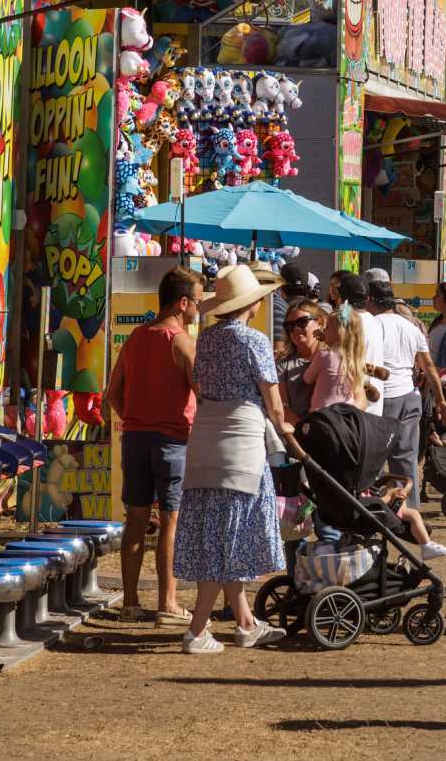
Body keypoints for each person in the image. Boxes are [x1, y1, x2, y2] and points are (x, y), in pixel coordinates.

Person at [174, 265, 301, 653]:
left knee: (218, 533)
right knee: (228, 536)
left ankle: (246, 623)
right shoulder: (254, 341)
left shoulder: (206, 339)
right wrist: (290, 435)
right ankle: (197, 630)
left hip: (204, 441)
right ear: (255, 303)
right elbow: (274, 404)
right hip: (242, 445)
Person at [102, 265, 202, 625]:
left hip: (135, 438)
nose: (198, 310)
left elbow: (112, 394)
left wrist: (136, 417)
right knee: (169, 523)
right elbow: (202, 394)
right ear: (183, 303)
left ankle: (130, 601)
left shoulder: (136, 337)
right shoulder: (182, 342)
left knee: (136, 520)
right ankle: (168, 602)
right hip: (172, 441)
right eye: (198, 303)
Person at [366, 277, 445, 509]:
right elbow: (428, 366)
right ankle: (410, 512)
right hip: (410, 397)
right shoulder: (411, 327)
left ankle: (376, 509)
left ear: (370, 300)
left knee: (376, 460)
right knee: (406, 460)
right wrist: (440, 399)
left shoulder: (373, 325)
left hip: (383, 398)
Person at [288, 300, 374, 414]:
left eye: (327, 327)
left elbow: (307, 379)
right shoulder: (355, 360)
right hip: (346, 416)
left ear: (339, 333)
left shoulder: (324, 355)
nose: (323, 330)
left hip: (322, 416)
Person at [371, 473, 446, 559]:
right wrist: (389, 496)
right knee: (413, 514)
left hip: (377, 503)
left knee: (410, 510)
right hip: (376, 509)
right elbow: (369, 501)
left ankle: (426, 545)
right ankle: (426, 546)